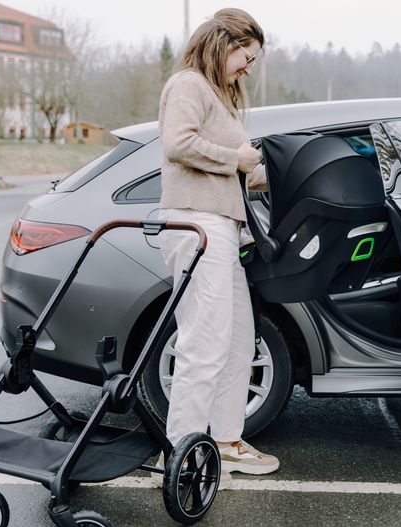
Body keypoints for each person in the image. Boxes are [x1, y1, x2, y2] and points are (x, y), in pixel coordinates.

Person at [155, 7, 279, 490]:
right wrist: (238, 158)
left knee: (235, 339)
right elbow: (177, 143)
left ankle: (226, 442)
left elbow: (242, 172)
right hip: (195, 223)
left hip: (224, 227)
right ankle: (183, 453)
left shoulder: (221, 97)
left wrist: (291, 172)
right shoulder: (187, 84)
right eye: (245, 57)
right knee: (203, 345)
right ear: (223, 43)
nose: (248, 68)